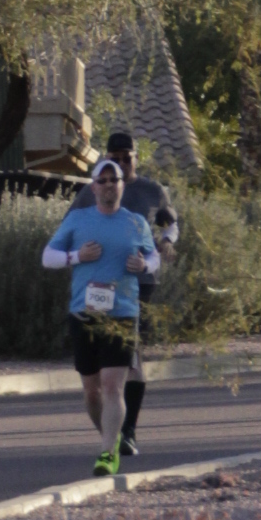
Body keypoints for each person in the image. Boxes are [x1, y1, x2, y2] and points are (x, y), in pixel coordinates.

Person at [66, 130, 179, 468]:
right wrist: (78, 255)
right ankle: (113, 433)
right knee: (103, 362)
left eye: (126, 158)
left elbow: (171, 224)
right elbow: (69, 226)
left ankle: (127, 431)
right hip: (99, 283)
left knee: (132, 351)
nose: (121, 164)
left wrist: (167, 241)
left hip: (138, 280)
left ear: (135, 158)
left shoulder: (151, 190)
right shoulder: (92, 190)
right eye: (114, 158)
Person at [45, 156, 161, 476]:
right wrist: (76, 256)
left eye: (114, 180)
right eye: (103, 181)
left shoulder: (136, 222)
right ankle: (112, 435)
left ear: (122, 186)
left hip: (122, 312)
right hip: (84, 313)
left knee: (112, 386)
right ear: (94, 187)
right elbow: (48, 256)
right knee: (92, 391)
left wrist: (145, 266)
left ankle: (108, 453)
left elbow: (154, 257)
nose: (109, 185)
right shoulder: (78, 219)